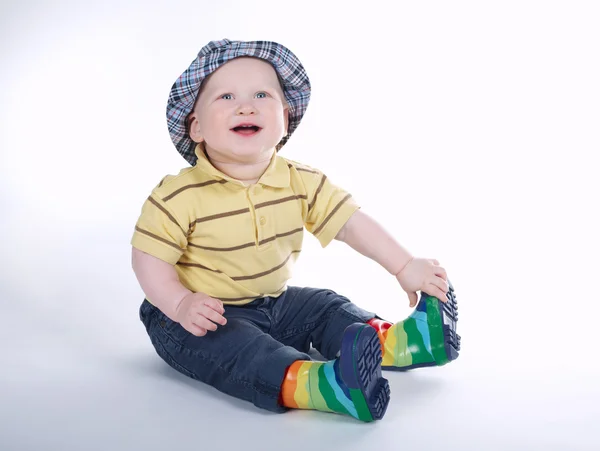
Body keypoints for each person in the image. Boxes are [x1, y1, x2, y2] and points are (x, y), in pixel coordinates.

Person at [131, 39, 460, 422]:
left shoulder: (298, 180)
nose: (246, 105)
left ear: (285, 119)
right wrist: (179, 303)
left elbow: (351, 224)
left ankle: (401, 343)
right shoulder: (179, 193)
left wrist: (404, 266)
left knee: (324, 305)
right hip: (196, 317)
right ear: (197, 126)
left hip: (274, 303)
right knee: (239, 349)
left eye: (261, 94)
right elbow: (147, 259)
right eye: (225, 97)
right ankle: (320, 385)